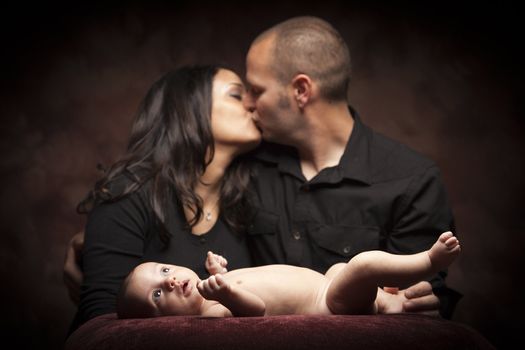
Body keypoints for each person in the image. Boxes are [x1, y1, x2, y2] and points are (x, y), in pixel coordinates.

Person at [65, 15, 460, 324]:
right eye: (240, 93)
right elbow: (108, 313)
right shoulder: (247, 173)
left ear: (301, 91)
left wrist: (427, 299)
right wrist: (100, 254)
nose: (251, 105)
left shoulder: (410, 179)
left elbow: (423, 293)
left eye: (254, 91)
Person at [66, 65, 261, 334]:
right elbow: (100, 322)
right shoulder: (130, 193)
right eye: (236, 95)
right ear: (191, 110)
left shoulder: (251, 194)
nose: (253, 104)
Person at [116, 231, 460, 319]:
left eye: (163, 270)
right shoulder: (211, 311)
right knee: (363, 266)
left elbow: (244, 281)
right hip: (327, 303)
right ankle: (429, 260)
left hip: (326, 283)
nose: (170, 280)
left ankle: (391, 300)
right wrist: (226, 292)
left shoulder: (211, 290)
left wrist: (221, 274)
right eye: (158, 295)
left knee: (341, 270)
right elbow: (255, 310)